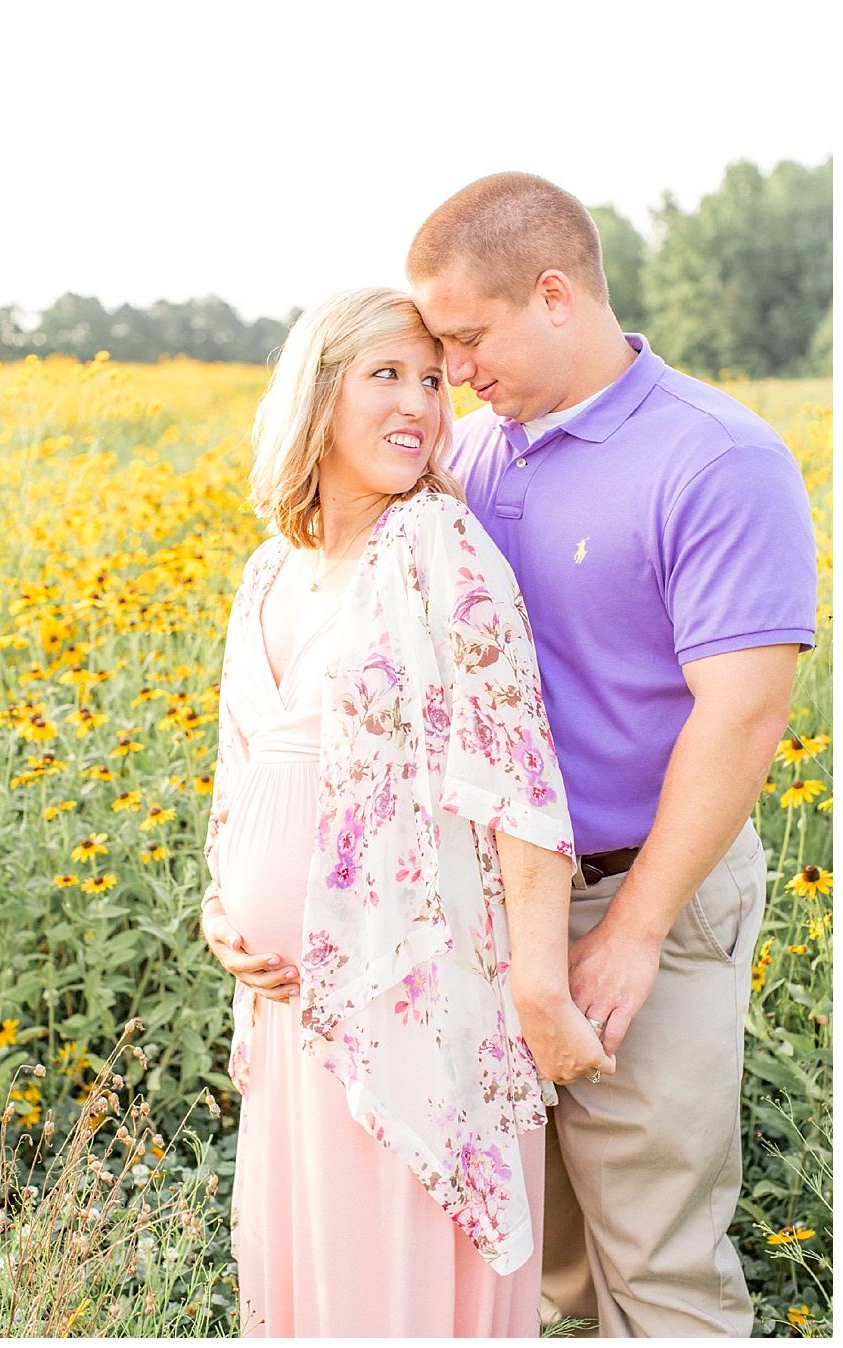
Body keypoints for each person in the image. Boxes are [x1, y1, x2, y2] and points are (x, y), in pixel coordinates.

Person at [408, 171, 818, 1338]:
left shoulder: (716, 458)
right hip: (495, 907)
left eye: (468, 336)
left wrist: (634, 928)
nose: (455, 368)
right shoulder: (476, 456)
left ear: (553, 295)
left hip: (647, 894)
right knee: (544, 1267)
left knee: (659, 1259)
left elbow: (741, 715)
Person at [201, 286, 614, 1337]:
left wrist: (537, 987)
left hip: (407, 1006)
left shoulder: (439, 545)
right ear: (316, 390)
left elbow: (519, 780)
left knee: (395, 1301)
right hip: (294, 1013)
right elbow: (239, 771)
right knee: (309, 1295)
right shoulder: (269, 569)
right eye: (386, 373)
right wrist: (223, 909)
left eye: (434, 380)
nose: (420, 405)